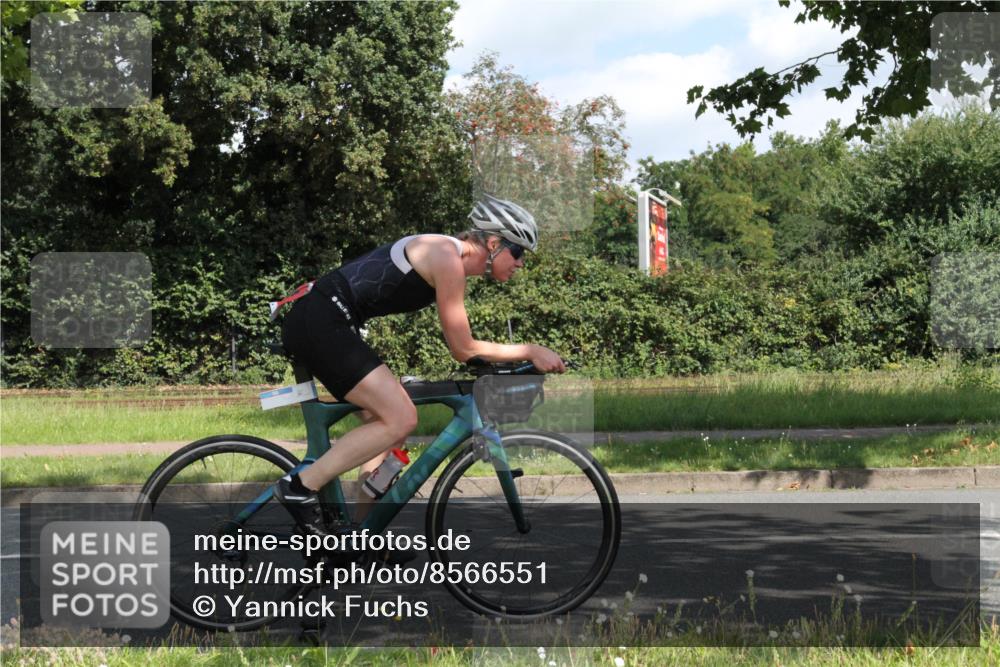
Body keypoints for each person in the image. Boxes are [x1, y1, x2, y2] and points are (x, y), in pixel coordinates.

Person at [274, 194, 566, 538]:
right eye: (518, 253)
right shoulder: (446, 257)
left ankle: (362, 537)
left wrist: (500, 358)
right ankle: (299, 486)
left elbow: (466, 347)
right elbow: (463, 347)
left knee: (384, 429)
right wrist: (529, 350)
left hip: (328, 319)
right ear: (493, 243)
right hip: (322, 320)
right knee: (401, 415)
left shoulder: (448, 259)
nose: (520, 264)